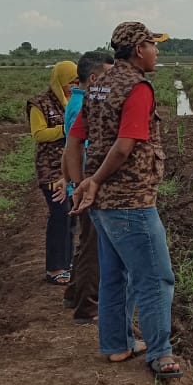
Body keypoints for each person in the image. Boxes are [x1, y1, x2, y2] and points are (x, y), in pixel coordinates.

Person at [66, 22, 183, 379]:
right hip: (131, 201)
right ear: (138, 50)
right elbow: (124, 145)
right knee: (155, 279)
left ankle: (118, 345)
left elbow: (73, 140)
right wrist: (95, 181)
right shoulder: (137, 88)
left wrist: (81, 185)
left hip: (103, 206)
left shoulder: (97, 85)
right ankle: (160, 353)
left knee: (115, 276)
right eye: (153, 44)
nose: (157, 51)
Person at [58, 50, 113, 323]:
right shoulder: (84, 106)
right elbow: (76, 148)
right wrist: (80, 183)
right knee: (94, 247)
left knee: (86, 243)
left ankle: (74, 293)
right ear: (93, 78)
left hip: (80, 185)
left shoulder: (76, 101)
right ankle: (88, 307)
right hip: (87, 185)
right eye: (107, 75)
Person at [27, 60, 77, 285]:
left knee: (70, 216)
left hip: (70, 165)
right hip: (50, 168)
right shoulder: (39, 103)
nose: (72, 86)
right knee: (59, 215)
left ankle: (68, 263)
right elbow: (38, 134)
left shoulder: (74, 101)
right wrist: (65, 129)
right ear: (59, 81)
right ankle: (55, 269)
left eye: (76, 81)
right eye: (69, 82)